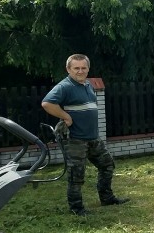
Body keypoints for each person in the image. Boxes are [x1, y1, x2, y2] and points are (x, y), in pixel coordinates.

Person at [41, 54, 130, 216]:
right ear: (68, 69)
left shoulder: (88, 85)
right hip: (75, 139)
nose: (80, 71)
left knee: (107, 165)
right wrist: (66, 117)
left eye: (83, 68)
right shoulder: (65, 86)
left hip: (92, 138)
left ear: (88, 68)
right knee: (76, 175)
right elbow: (47, 103)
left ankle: (107, 198)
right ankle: (77, 208)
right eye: (76, 68)